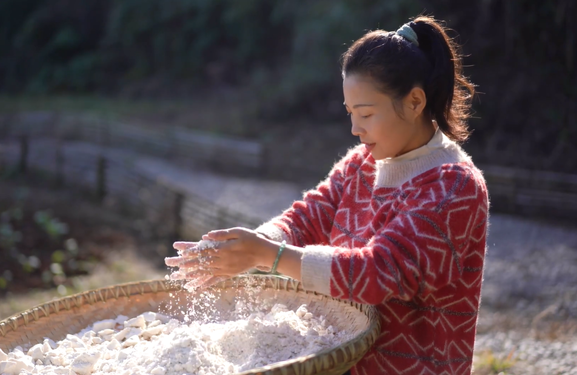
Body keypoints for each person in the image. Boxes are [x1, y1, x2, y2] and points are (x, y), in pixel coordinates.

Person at [166, 15, 489, 375]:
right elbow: (310, 215)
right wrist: (259, 243)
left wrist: (270, 256)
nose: (355, 128)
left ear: (414, 102)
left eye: (366, 113)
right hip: (346, 361)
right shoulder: (363, 163)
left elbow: (378, 272)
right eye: (351, 113)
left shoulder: (454, 188)